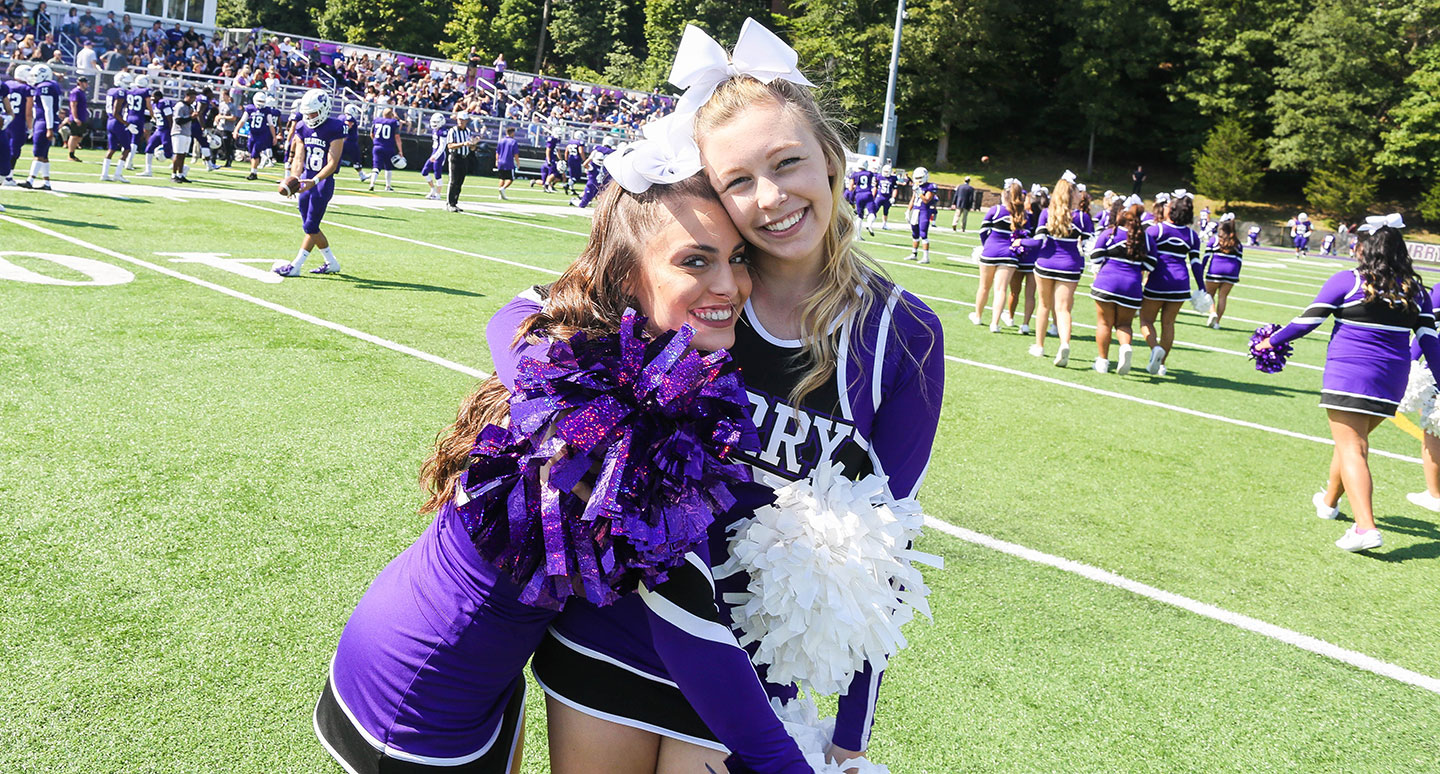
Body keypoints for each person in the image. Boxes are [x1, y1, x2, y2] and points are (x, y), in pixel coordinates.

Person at [490, 21, 944, 771]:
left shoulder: (905, 336)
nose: (770, 199)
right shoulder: (703, 286)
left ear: (830, 159)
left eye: (788, 163)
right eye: (738, 181)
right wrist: (595, 423)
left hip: (749, 674)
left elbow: (885, 555)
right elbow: (519, 315)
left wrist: (850, 736)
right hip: (616, 632)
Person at [317, 163, 818, 774]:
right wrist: (787, 763)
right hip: (420, 691)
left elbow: (516, 308)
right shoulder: (614, 436)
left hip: (480, 674)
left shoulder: (607, 359)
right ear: (628, 273)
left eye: (737, 258)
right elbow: (687, 624)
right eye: (695, 261)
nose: (731, 284)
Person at [1256, 214, 1440, 552]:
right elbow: (1430, 340)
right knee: (1352, 442)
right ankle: (1328, 502)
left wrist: (1271, 341)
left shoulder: (1349, 281)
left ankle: (1365, 528)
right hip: (1392, 379)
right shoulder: (1416, 291)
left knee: (1354, 447)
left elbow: (1306, 321)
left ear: (1365, 249)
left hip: (1350, 373)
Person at [272, 90, 344, 277]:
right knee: (309, 226)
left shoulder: (335, 127)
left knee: (311, 226)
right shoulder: (302, 127)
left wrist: (315, 180)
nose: (310, 117)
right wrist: (295, 178)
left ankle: (296, 266)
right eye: (307, 113)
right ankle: (332, 263)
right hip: (306, 179)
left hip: (322, 182)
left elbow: (332, 162)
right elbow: (299, 156)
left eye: (313, 113)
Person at [1138, 190, 1201, 376]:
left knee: (1146, 319)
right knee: (1168, 324)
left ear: (1171, 210)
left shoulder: (1155, 230)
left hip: (1158, 281)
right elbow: (1196, 264)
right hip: (1181, 284)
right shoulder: (1192, 235)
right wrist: (1203, 289)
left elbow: (1142, 258)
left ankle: (1155, 348)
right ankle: (1162, 365)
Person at [1088, 198, 1155, 374]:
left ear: (1122, 214)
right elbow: (1151, 264)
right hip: (1131, 286)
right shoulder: (1145, 238)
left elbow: (1095, 257)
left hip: (1106, 283)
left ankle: (1102, 361)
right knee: (1124, 324)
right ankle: (1125, 347)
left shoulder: (1110, 233)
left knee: (1104, 323)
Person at [1031, 173, 1087, 366]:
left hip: (1045, 263)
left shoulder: (1047, 213)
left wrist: (1020, 243)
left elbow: (1038, 241)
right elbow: (1090, 246)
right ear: (1072, 195)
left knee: (1044, 305)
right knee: (1063, 309)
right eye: (1077, 192)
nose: (1080, 195)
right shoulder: (1082, 218)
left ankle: (1039, 346)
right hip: (1070, 266)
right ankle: (1064, 343)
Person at [970, 178, 1026, 332]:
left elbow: (983, 231)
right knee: (1001, 289)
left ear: (1004, 195)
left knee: (984, 286)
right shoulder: (1021, 213)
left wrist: (986, 245)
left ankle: (978, 316)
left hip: (990, 252)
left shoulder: (995, 210)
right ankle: (995, 323)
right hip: (1010, 255)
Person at [17, 63, 57, 191]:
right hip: (44, 121)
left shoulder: (45, 87)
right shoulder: (46, 86)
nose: (33, 78)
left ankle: (30, 180)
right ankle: (46, 183)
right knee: (44, 155)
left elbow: (48, 109)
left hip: (44, 121)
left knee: (38, 152)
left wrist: (49, 128)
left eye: (35, 75)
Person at [1201, 213, 1242, 329]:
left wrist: (1201, 269)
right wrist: (1236, 275)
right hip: (1232, 272)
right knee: (1223, 297)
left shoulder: (1214, 240)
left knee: (1209, 294)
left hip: (1216, 270)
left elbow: (1206, 257)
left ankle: (1212, 312)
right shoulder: (1237, 243)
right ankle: (1217, 323)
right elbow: (1239, 261)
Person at [99, 70, 132, 182]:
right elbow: (116, 112)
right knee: (127, 148)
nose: (128, 85)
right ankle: (118, 173)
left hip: (110, 122)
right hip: (116, 122)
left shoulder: (111, 90)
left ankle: (104, 174)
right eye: (127, 83)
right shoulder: (120, 92)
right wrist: (127, 123)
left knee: (112, 148)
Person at [444, 112, 477, 212]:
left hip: (464, 157)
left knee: (460, 182)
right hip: (455, 157)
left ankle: (454, 202)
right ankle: (449, 203)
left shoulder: (468, 131)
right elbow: (449, 145)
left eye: (463, 120)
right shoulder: (452, 131)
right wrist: (463, 144)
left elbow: (471, 148)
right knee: (453, 181)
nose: (461, 122)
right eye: (459, 120)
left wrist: (473, 144)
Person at [906, 166, 936, 263]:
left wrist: (919, 192)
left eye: (920, 178)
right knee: (915, 233)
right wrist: (908, 210)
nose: (918, 180)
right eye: (917, 178)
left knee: (923, 234)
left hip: (924, 211)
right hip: (915, 210)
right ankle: (914, 253)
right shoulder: (916, 186)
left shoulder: (930, 186)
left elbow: (926, 200)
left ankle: (926, 257)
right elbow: (913, 199)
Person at [368, 106, 401, 192]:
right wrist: (400, 150)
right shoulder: (394, 122)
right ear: (391, 115)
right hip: (388, 147)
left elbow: (371, 134)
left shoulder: (376, 120)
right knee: (388, 167)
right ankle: (388, 186)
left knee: (376, 167)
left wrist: (376, 142)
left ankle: (372, 183)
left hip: (377, 146)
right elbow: (397, 137)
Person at [239, 91, 271, 180]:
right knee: (251, 152)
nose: (261, 103)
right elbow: (242, 120)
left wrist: (274, 136)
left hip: (261, 135)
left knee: (254, 153)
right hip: (252, 134)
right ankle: (255, 168)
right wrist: (236, 129)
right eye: (259, 101)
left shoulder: (266, 110)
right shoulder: (250, 108)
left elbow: (271, 124)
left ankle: (253, 173)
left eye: (262, 101)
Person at [168, 89, 195, 183]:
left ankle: (180, 174)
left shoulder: (189, 107)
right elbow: (178, 121)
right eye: (192, 97)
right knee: (178, 154)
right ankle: (174, 174)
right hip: (179, 132)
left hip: (187, 132)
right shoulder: (180, 105)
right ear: (187, 96)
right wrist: (191, 117)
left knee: (183, 155)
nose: (193, 100)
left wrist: (192, 117)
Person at [419, 112, 447, 200]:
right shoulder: (435, 130)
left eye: (436, 122)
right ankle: (433, 190)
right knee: (424, 171)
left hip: (439, 154)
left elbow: (442, 146)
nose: (434, 124)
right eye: (433, 122)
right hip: (434, 153)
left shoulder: (443, 131)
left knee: (437, 174)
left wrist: (435, 156)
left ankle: (438, 195)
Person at [63, 74, 88, 162]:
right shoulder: (76, 92)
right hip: (77, 117)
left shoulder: (82, 92)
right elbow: (73, 105)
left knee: (79, 136)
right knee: (74, 136)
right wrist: (75, 117)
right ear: (80, 83)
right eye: (84, 82)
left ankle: (73, 152)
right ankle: (71, 155)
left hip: (82, 117)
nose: (86, 84)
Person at [867, 162, 897, 231]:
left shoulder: (893, 178)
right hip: (879, 196)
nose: (886, 173)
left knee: (886, 211)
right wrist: (873, 196)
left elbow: (895, 189)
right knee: (874, 210)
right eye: (885, 171)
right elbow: (875, 187)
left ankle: (884, 224)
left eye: (887, 171)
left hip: (888, 197)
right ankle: (869, 224)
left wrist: (893, 197)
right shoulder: (879, 176)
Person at [494, 126, 519, 200]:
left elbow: (497, 152)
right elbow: (516, 154)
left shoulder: (501, 141)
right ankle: (503, 188)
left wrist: (496, 160)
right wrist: (518, 162)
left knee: (502, 178)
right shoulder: (513, 142)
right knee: (511, 179)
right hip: (508, 162)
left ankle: (500, 194)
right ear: (512, 133)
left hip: (501, 161)